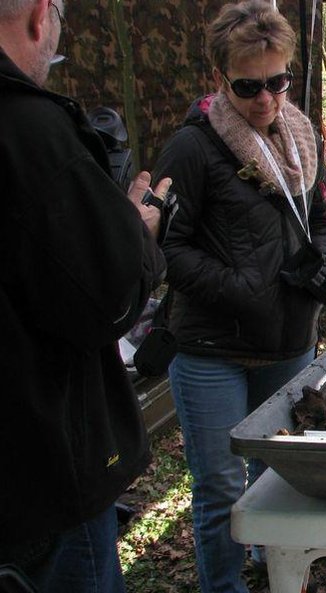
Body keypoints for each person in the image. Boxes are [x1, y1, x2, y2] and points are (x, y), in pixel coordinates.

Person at [151, 2, 326, 592]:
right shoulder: (193, 149)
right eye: (249, 86)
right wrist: (242, 290)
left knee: (277, 475)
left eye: (278, 82)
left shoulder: (299, 134)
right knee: (221, 488)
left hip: (288, 338)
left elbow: (323, 211)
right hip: (213, 349)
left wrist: (325, 263)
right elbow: (166, 250)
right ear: (218, 80)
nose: (266, 100)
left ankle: (272, 566)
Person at [0, 1, 168, 591]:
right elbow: (110, 296)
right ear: (41, 16)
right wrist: (135, 232)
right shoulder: (30, 128)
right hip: (41, 477)